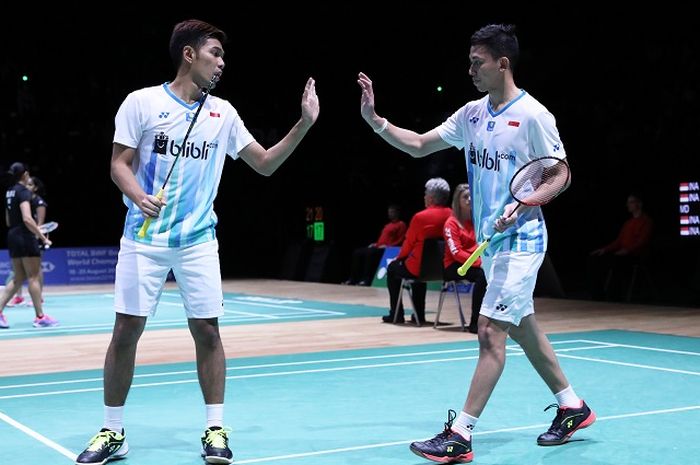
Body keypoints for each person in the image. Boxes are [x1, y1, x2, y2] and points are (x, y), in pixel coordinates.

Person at [74, 19, 318, 465]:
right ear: (189, 55)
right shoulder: (141, 103)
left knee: (207, 330)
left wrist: (303, 124)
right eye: (215, 54)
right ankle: (112, 431)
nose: (222, 63)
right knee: (126, 330)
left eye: (223, 57)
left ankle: (214, 427)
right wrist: (139, 196)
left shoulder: (223, 113)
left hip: (198, 241)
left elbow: (263, 164)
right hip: (143, 238)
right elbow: (118, 164)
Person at [358, 23, 594, 463]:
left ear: (502, 63)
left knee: (489, 332)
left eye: (477, 63)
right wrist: (376, 121)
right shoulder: (471, 114)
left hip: (522, 240)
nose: (470, 70)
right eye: (469, 62)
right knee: (523, 327)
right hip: (493, 246)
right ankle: (572, 406)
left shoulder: (534, 116)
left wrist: (523, 206)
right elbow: (418, 144)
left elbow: (559, 173)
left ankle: (460, 435)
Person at [383, 178, 451, 325]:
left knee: (394, 269)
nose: (424, 196)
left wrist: (399, 259)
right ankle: (419, 315)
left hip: (418, 268)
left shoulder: (421, 217)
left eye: (426, 194)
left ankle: (396, 314)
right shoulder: (452, 215)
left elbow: (408, 244)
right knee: (422, 269)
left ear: (431, 197)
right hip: (444, 269)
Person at [0, 163, 56, 329]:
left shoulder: (9, 192)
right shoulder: (24, 192)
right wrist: (42, 238)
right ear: (24, 174)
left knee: (18, 278)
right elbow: (27, 218)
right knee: (33, 276)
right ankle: (40, 317)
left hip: (13, 236)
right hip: (25, 237)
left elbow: (8, 220)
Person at [587, 192, 653, 300]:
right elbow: (619, 242)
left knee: (616, 262)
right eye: (628, 202)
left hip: (635, 256)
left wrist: (627, 250)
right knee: (593, 259)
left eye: (631, 202)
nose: (628, 205)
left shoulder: (646, 221)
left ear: (639, 204)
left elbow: (642, 242)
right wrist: (604, 249)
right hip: (622, 254)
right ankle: (598, 295)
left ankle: (614, 296)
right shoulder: (628, 223)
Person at [442, 183, 487, 334]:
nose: (469, 200)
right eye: (465, 197)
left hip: (474, 264)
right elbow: (456, 252)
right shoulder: (451, 223)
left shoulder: (477, 221)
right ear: (457, 201)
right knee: (482, 276)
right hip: (454, 266)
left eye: (470, 197)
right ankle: (474, 323)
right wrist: (480, 263)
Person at [5, 175, 49, 306]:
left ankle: (38, 296)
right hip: (24, 237)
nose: (28, 187)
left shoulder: (38, 202)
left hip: (34, 236)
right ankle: (20, 297)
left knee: (35, 270)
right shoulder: (22, 198)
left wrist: (39, 236)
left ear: (35, 188)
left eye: (31, 185)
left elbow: (40, 223)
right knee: (20, 274)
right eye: (27, 184)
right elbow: (24, 219)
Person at [343, 204, 406, 286]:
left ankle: (366, 280)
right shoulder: (388, 225)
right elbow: (382, 239)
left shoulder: (401, 224)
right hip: (378, 247)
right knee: (357, 252)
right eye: (389, 212)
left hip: (387, 249)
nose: (390, 214)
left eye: (392, 212)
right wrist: (375, 244)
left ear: (397, 213)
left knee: (370, 253)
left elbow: (400, 240)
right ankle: (352, 279)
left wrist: (388, 247)